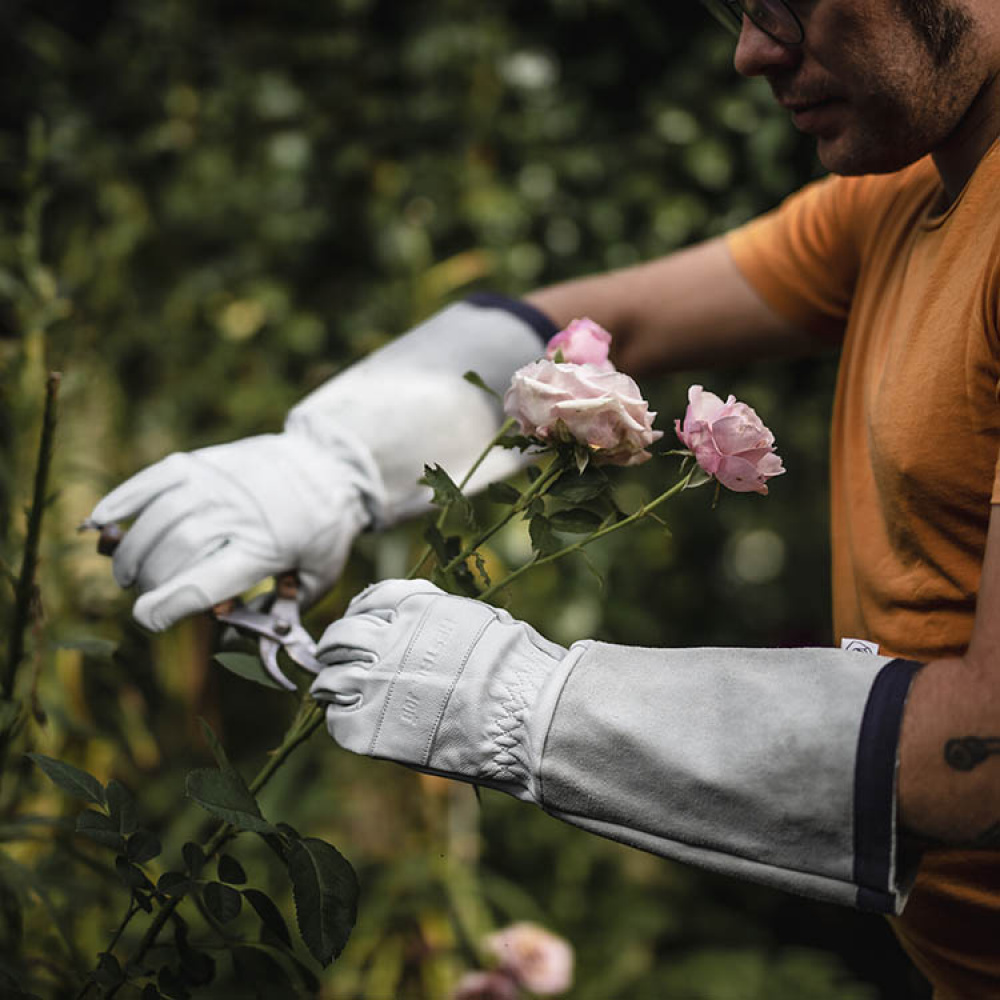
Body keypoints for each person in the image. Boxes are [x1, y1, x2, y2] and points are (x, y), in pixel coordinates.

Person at [89, 1, 1000, 995]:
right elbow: (617, 326)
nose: (750, 51)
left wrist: (531, 705)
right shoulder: (912, 190)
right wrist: (336, 451)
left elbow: (983, 754)